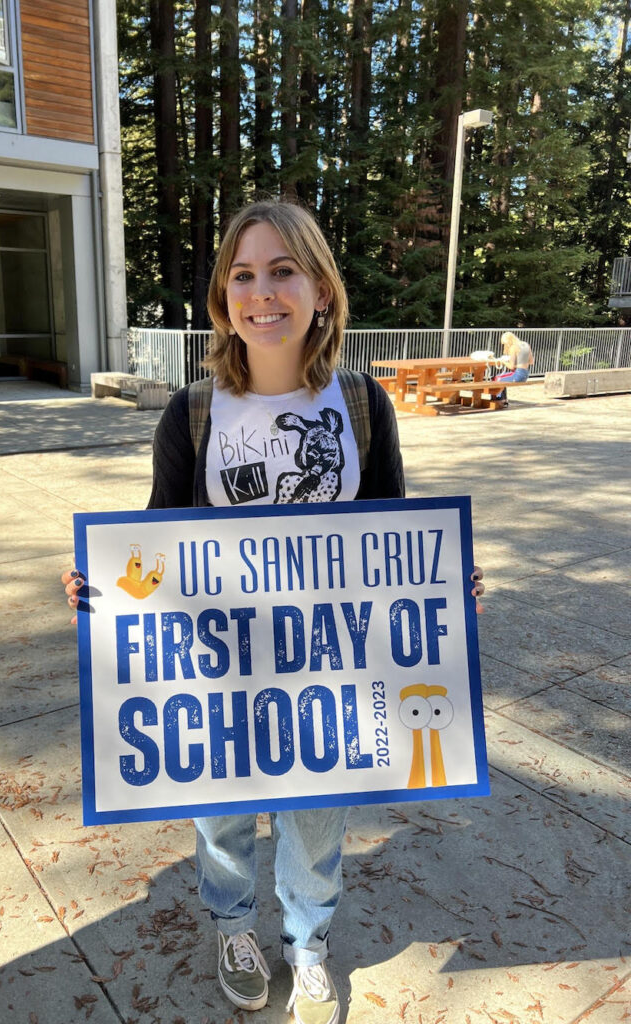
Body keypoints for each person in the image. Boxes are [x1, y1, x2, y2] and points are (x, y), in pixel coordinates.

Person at [63, 200, 485, 1024]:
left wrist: (443, 588)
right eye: (243, 275)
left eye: (283, 271)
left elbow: (390, 536)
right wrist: (101, 587)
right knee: (220, 819)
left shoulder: (362, 405)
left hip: (325, 668)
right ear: (224, 298)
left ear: (321, 289)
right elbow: (154, 537)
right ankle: (233, 927)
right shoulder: (192, 411)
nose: (263, 292)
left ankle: (308, 943)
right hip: (217, 668)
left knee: (316, 822)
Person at [489, 330, 534, 403]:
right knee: (501, 377)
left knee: (496, 378)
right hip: (525, 374)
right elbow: (531, 361)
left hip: (518, 374)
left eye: (504, 344)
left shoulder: (513, 347)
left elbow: (511, 366)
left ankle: (499, 400)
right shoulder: (526, 344)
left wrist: (503, 361)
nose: (505, 346)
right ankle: (503, 399)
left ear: (508, 341)